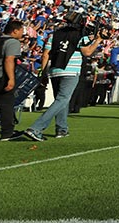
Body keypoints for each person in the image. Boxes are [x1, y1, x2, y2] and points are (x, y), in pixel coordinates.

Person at [23, 13, 103, 142]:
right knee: (62, 99)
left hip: (55, 70)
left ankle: (62, 129)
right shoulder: (79, 35)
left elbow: (45, 55)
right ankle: (36, 128)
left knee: (61, 101)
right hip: (71, 71)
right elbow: (87, 52)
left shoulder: (53, 35)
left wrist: (43, 73)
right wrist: (98, 40)